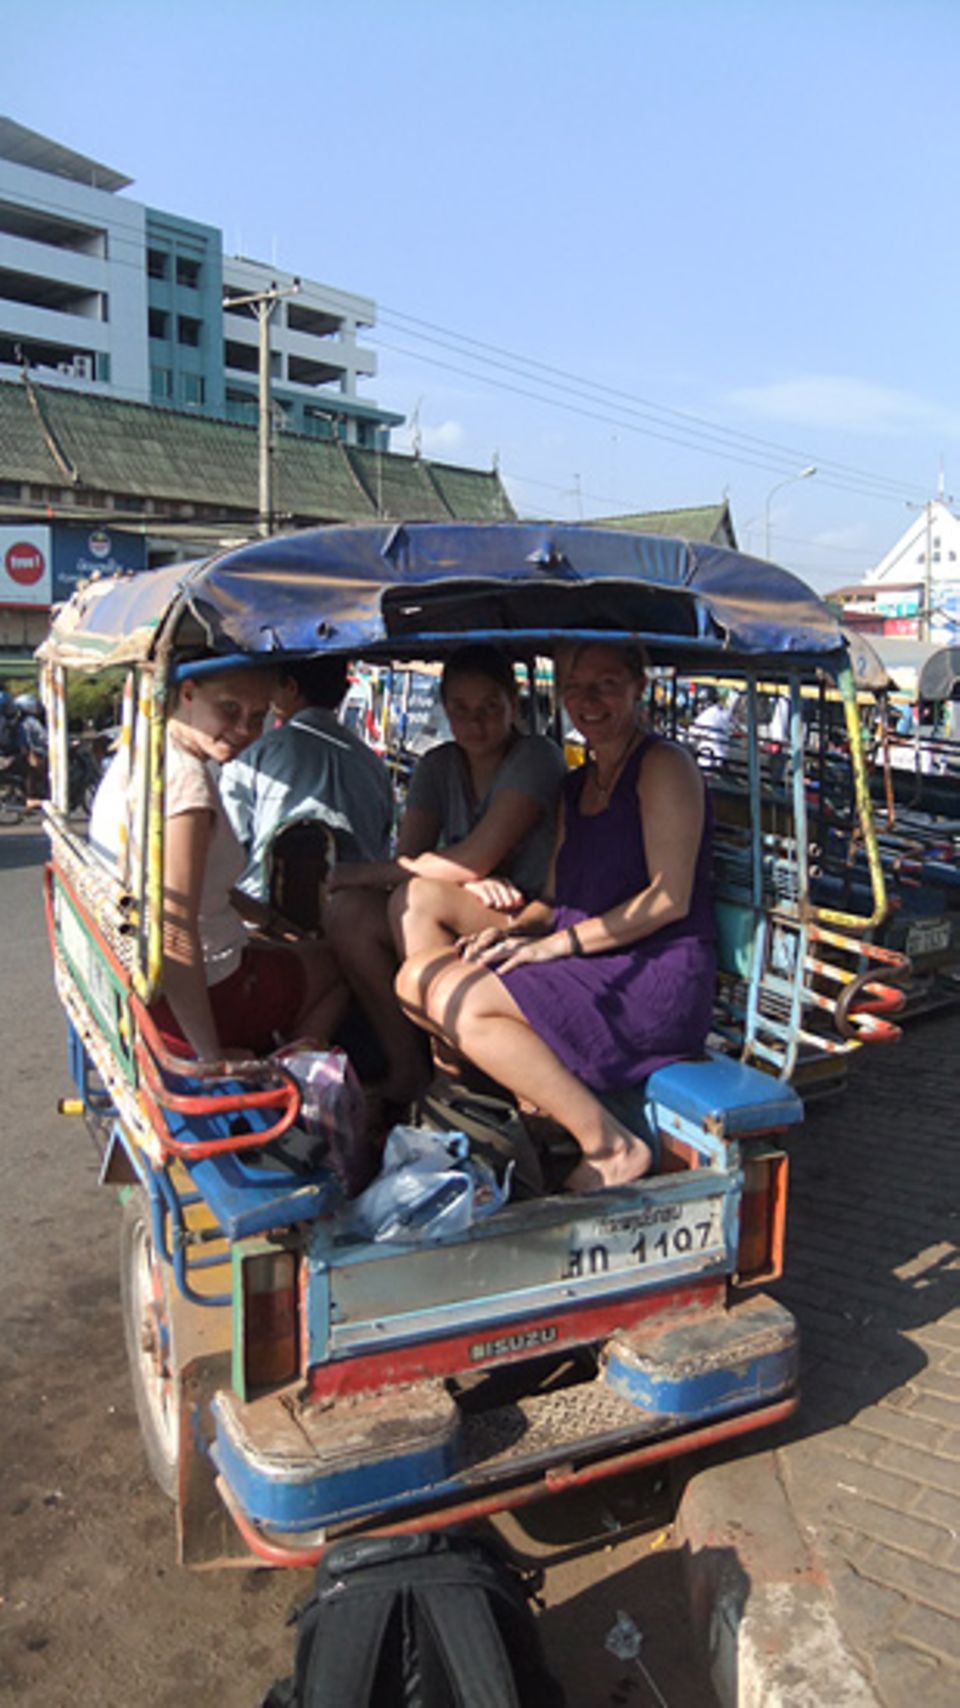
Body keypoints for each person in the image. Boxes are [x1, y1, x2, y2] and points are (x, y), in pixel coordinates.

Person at [395, 642, 717, 1195]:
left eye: (606, 684)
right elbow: (552, 896)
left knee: (464, 1003)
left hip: (650, 975)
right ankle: (498, 1110)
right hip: (590, 961)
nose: (586, 701)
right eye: (573, 686)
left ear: (639, 687)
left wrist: (553, 945)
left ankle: (612, 1147)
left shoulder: (664, 766)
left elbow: (669, 899)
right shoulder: (575, 784)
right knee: (415, 981)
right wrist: (513, 932)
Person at [324, 644, 567, 1102]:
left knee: (417, 901)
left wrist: (358, 872)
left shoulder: (537, 756)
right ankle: (408, 1065)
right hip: (476, 902)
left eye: (490, 708)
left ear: (513, 706)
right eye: (461, 709)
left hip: (530, 912)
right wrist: (466, 877)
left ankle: (451, 1072)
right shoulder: (439, 765)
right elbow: (415, 856)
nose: (476, 723)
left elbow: (472, 856)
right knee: (349, 913)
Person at [89, 661, 347, 1062]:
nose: (245, 730)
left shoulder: (142, 752)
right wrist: (209, 1058)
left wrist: (275, 924)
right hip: (201, 994)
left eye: (258, 717)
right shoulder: (185, 784)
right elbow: (174, 932)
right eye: (230, 710)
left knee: (302, 948)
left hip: (154, 977)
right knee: (337, 965)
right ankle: (294, 1076)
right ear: (188, 694)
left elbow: (207, 890)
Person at [220, 656, 394, 902]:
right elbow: (381, 848)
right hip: (352, 918)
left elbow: (230, 846)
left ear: (290, 687)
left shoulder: (255, 755)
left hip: (262, 915)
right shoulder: (373, 765)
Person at [13, 692, 49, 806]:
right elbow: (44, 736)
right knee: (42, 769)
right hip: (34, 751)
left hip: (24, 751)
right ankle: (33, 796)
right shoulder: (31, 721)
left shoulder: (19, 720)